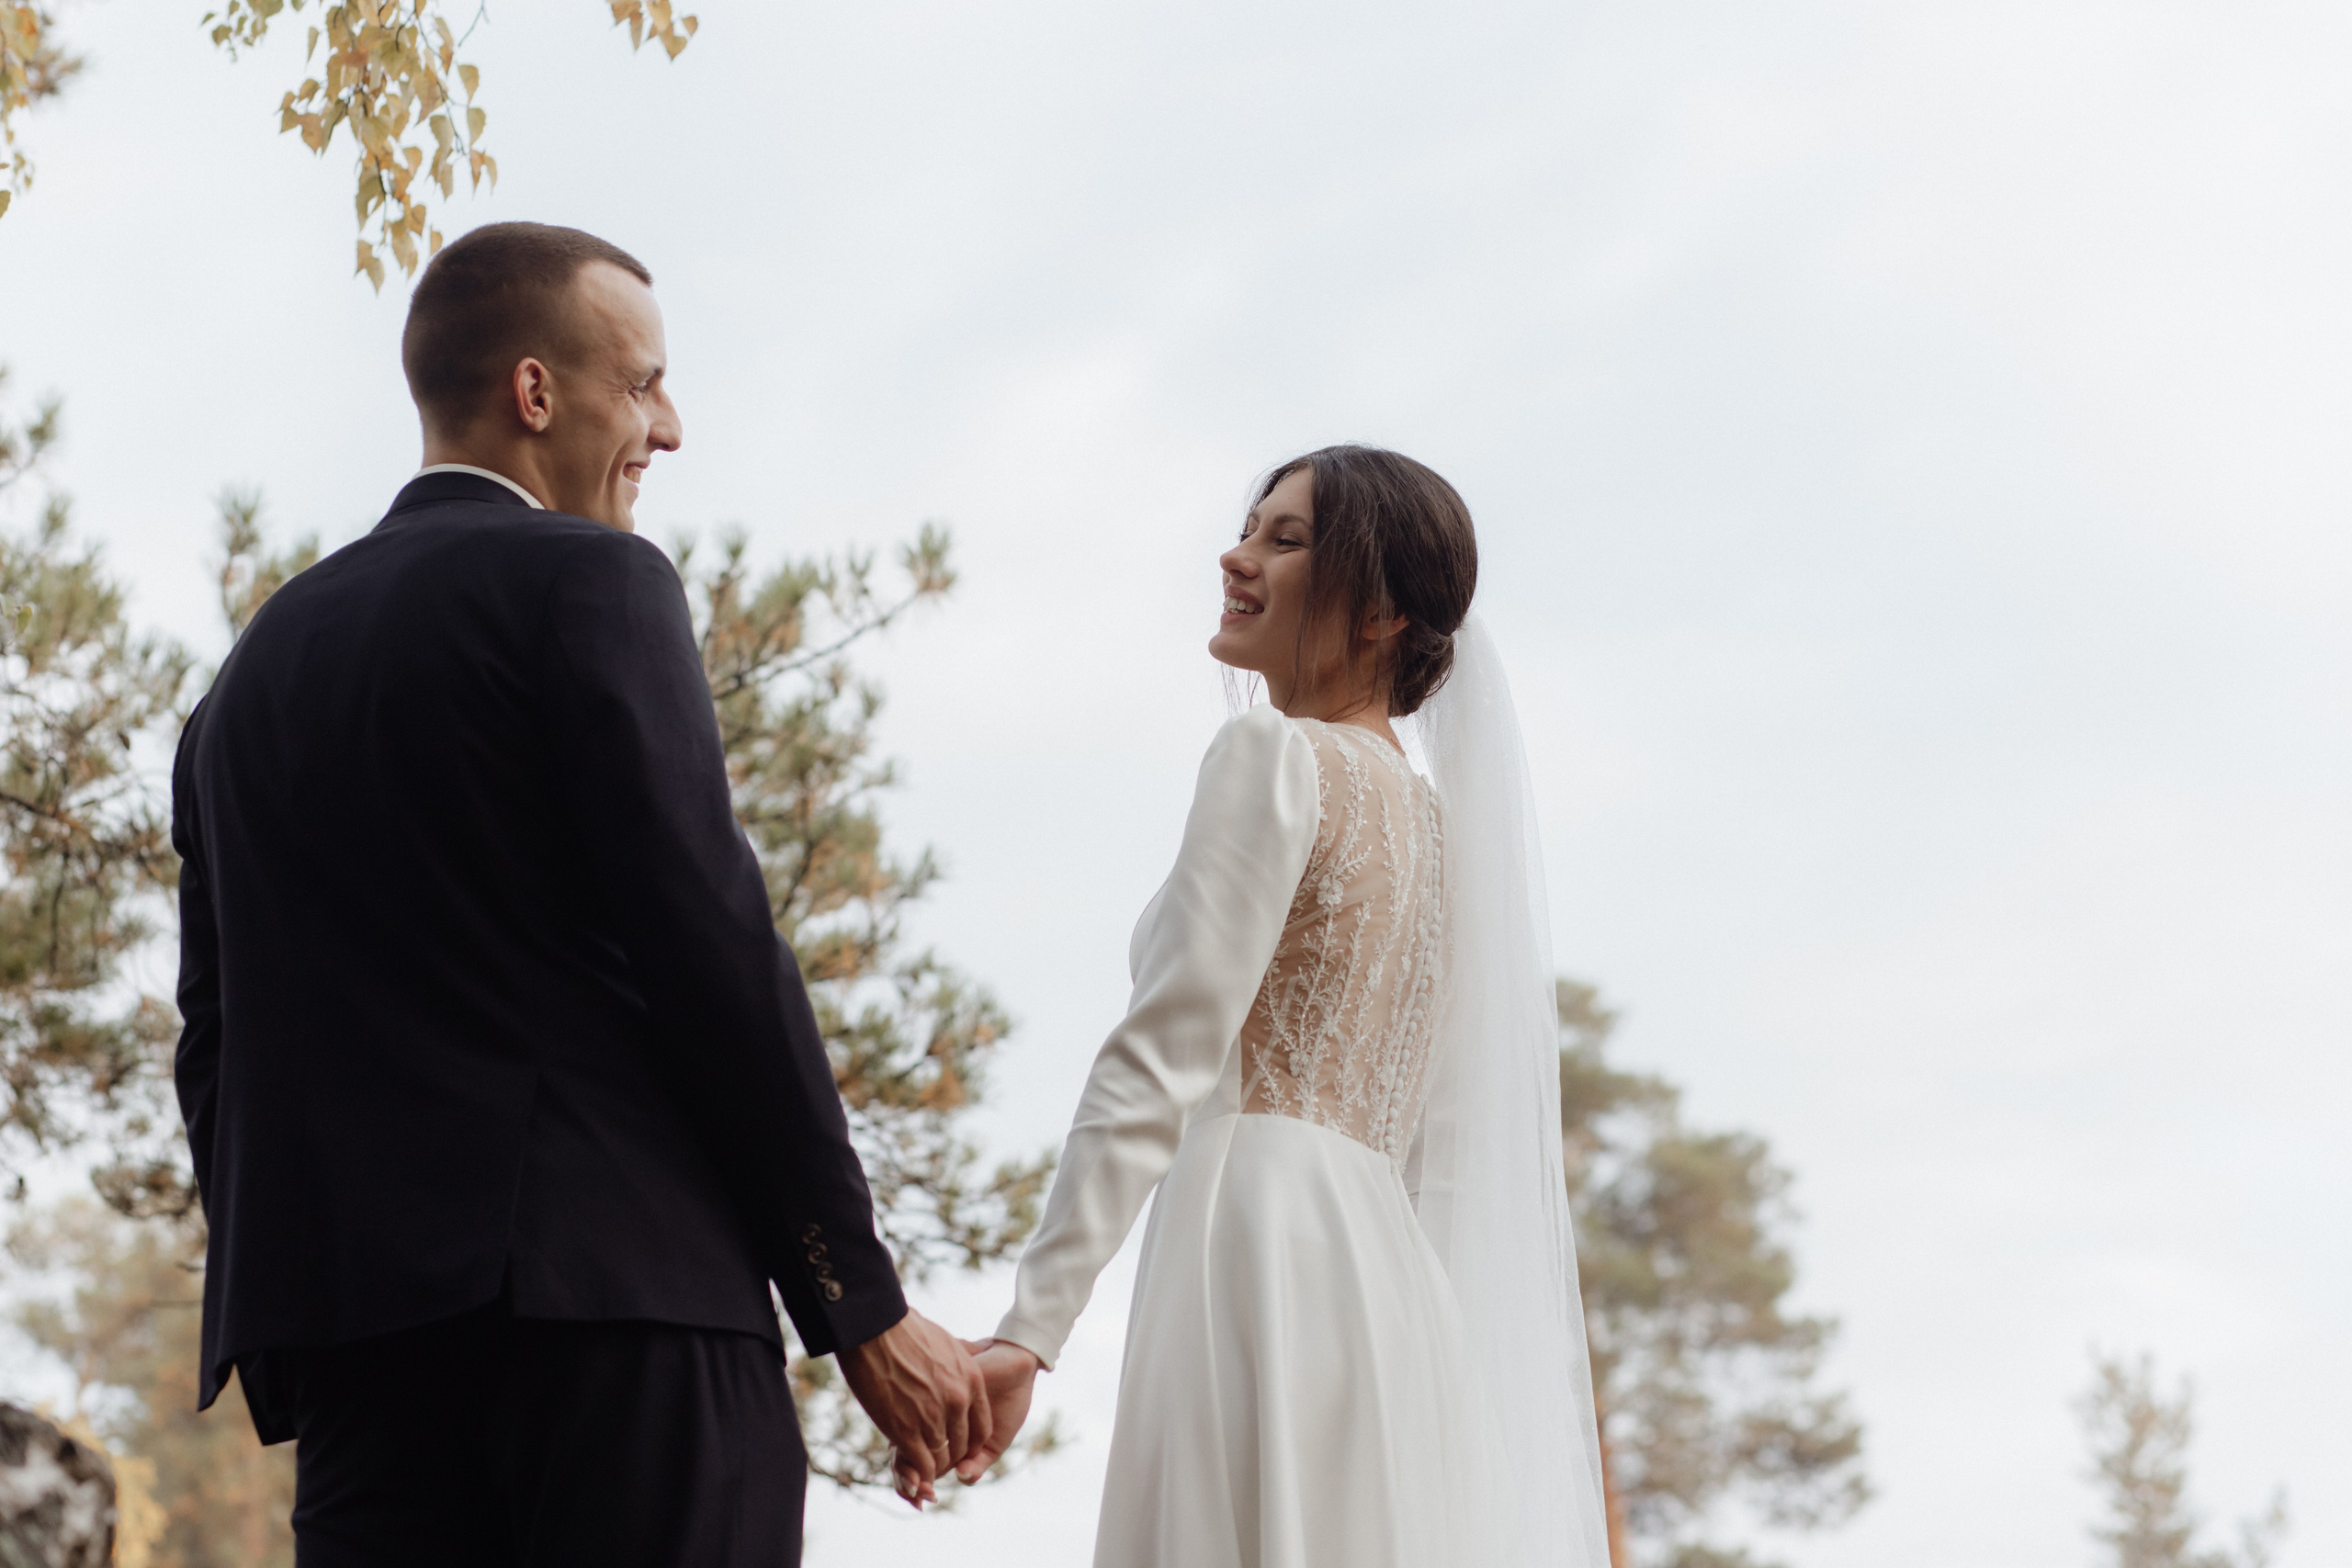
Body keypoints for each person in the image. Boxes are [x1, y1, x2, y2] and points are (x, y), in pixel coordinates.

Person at [171, 221, 990, 1566]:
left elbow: (216, 1044)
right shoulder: (591, 579)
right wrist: (859, 1300)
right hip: (622, 1325)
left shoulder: (240, 689)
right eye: (645, 383)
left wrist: (320, 1304)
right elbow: (709, 945)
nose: (668, 426)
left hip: (364, 1379)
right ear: (537, 392)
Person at [962, 446, 1613, 1565]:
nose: (1237, 554)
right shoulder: (1461, 852)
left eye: (1287, 539)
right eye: (1251, 527)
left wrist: (1033, 1325)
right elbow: (1450, 1150)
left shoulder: (1269, 758)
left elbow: (1159, 1060)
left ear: (1381, 614)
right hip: (1399, 1306)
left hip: (1249, 1244)